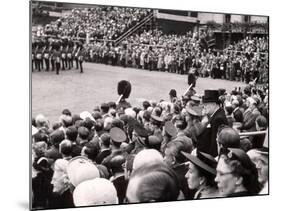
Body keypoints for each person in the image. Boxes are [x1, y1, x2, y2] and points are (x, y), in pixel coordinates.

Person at [197, 90, 228, 157]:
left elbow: (214, 143)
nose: (204, 107)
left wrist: (210, 159)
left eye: (206, 105)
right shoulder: (217, 114)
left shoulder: (218, 119)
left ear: (213, 104)